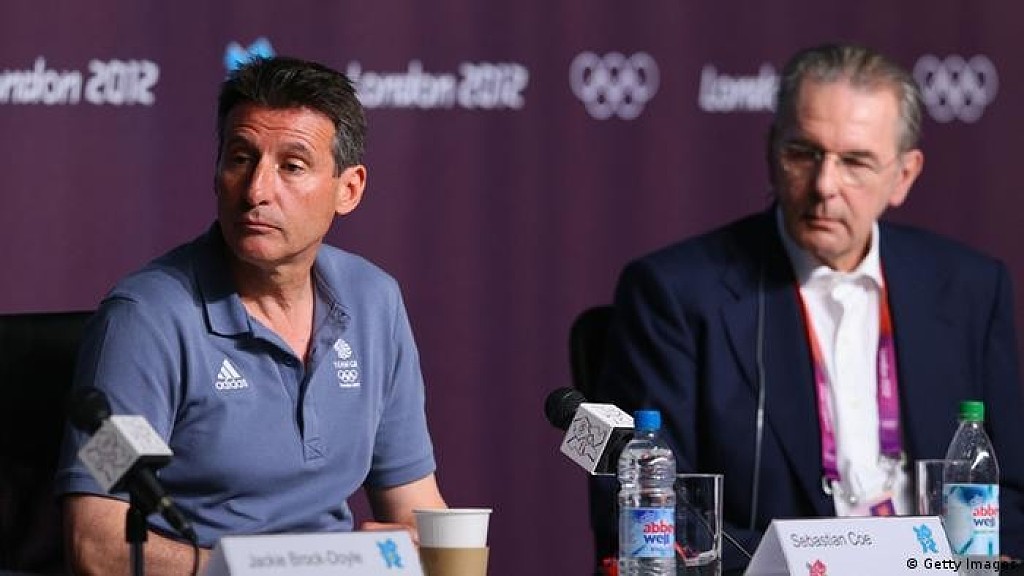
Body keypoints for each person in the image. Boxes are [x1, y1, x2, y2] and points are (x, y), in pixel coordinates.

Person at [593, 43, 1024, 572]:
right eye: (803, 153)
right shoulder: (675, 293)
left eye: (855, 162)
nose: (824, 186)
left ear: (904, 176)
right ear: (771, 151)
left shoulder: (969, 287)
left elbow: (1010, 494)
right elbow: (642, 511)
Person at [55, 56, 446, 575]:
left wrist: (418, 550)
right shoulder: (144, 322)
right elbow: (97, 543)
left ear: (348, 189)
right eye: (241, 158)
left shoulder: (374, 303)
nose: (257, 190)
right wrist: (270, 570)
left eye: (292, 166)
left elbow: (415, 509)